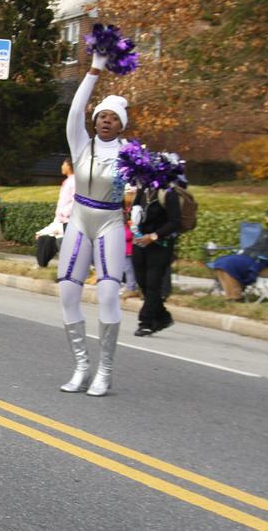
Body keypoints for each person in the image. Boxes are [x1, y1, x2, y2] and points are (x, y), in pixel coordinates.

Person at [57, 51, 127, 396]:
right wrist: (95, 69)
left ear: (122, 125)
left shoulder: (131, 154)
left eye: (114, 118)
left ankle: (105, 370)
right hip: (80, 219)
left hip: (111, 221)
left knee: (109, 292)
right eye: (102, 116)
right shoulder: (81, 144)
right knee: (68, 291)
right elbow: (74, 112)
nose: (106, 121)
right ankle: (82, 366)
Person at [130, 181, 182, 336]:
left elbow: (175, 222)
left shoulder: (168, 193)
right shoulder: (143, 190)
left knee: (153, 283)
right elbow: (136, 213)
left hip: (161, 244)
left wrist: (153, 236)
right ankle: (163, 317)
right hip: (140, 242)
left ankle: (145, 322)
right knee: (142, 282)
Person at [213, 203, 268, 301]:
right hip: (254, 259)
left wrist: (252, 255)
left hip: (267, 266)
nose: (267, 219)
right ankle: (233, 294)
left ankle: (236, 297)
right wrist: (245, 252)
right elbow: (255, 247)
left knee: (227, 264)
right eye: (267, 216)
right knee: (221, 262)